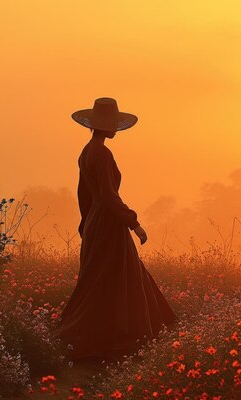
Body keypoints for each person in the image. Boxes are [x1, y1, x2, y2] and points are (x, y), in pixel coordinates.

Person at [52, 97, 177, 362]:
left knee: (107, 278)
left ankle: (110, 339)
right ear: (101, 126)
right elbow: (108, 196)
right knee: (115, 279)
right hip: (109, 223)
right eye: (111, 124)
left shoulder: (87, 151)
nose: (115, 129)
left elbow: (84, 195)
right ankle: (119, 339)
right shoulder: (101, 153)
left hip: (99, 222)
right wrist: (134, 223)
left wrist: (86, 223)